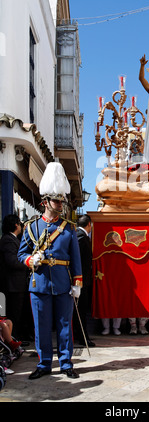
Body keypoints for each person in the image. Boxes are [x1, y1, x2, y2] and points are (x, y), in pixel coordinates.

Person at [18, 162, 83, 379]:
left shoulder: (69, 228)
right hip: (39, 283)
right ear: (46, 202)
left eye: (61, 201)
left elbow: (75, 259)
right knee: (41, 327)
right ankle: (44, 364)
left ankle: (66, 363)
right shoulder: (31, 226)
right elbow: (20, 254)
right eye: (56, 201)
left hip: (63, 283)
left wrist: (77, 283)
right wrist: (31, 259)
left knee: (65, 326)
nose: (60, 204)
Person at [0, 214, 33, 342]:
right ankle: (13, 339)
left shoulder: (14, 239)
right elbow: (12, 261)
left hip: (17, 284)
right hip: (12, 285)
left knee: (18, 313)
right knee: (13, 314)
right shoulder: (8, 240)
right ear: (16, 225)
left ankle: (16, 338)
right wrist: (28, 263)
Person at [74, 214, 95, 347]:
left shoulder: (79, 235)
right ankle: (82, 337)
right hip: (80, 280)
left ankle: (80, 335)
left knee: (81, 310)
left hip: (82, 280)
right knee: (81, 310)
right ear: (89, 224)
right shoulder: (81, 237)